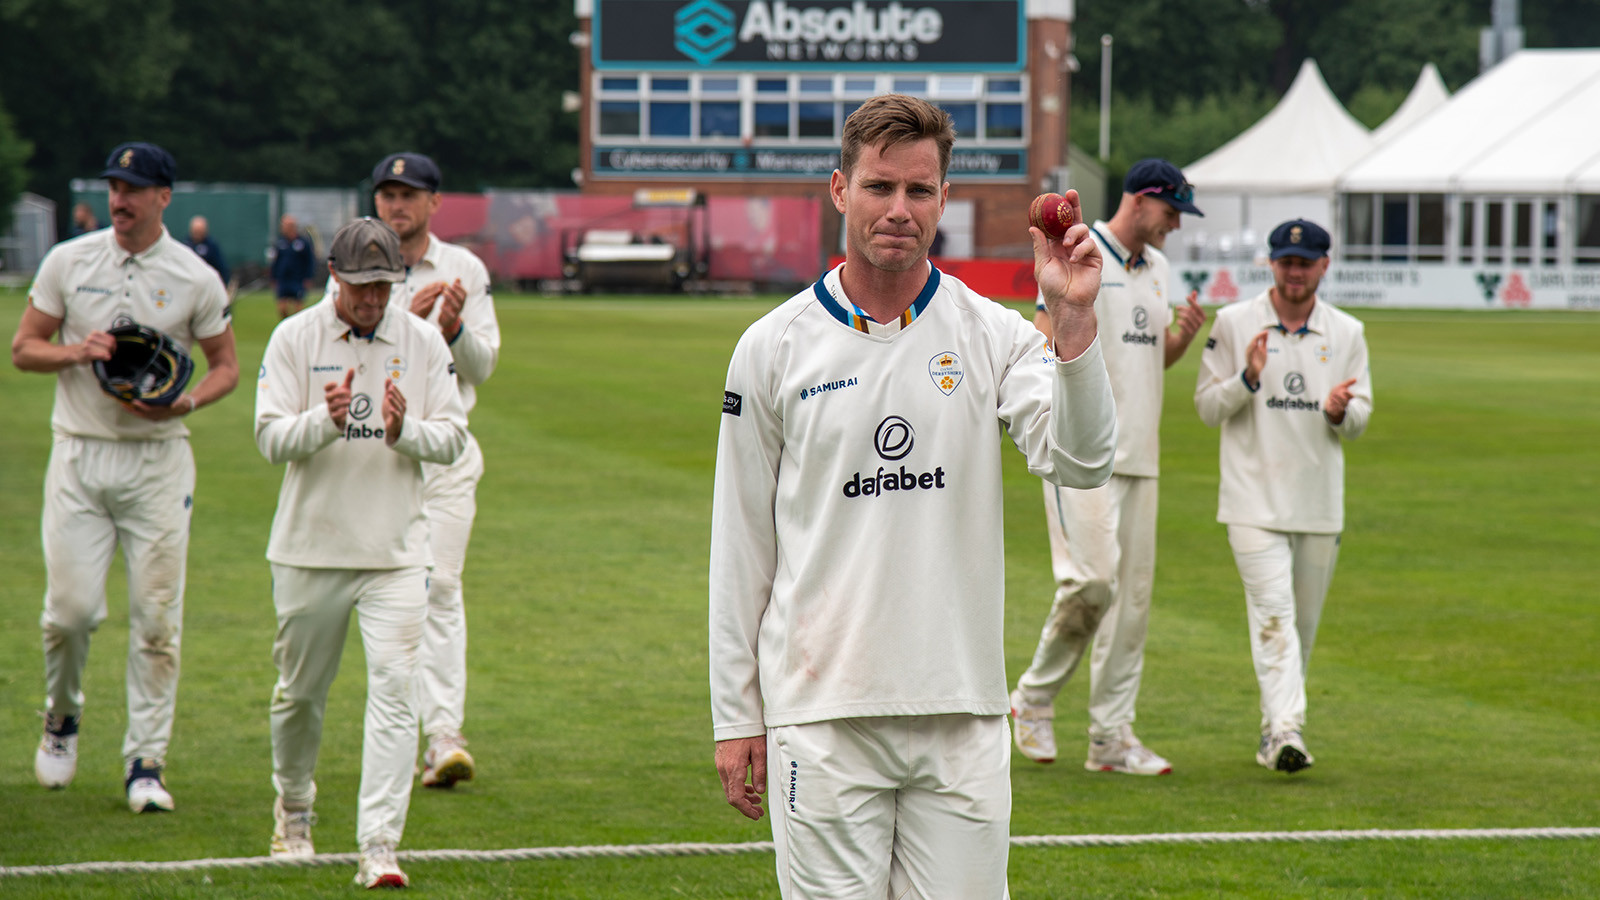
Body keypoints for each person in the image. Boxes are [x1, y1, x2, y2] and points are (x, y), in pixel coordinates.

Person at [709, 94, 1116, 899]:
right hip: (821, 715)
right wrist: (736, 716)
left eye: (919, 191)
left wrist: (1070, 326)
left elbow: (1083, 460)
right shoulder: (772, 347)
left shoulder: (994, 333)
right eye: (879, 188)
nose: (899, 210)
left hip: (959, 711)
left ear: (943, 198)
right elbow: (742, 544)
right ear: (839, 190)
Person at [10, 141, 239, 812]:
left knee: (156, 620)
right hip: (80, 455)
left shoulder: (195, 277)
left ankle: (146, 762)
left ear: (164, 196)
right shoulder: (69, 260)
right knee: (71, 614)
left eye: (135, 188)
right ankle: (62, 716)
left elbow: (225, 364)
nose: (120, 199)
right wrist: (76, 351)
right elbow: (24, 348)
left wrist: (185, 400)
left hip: (158, 460)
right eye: (115, 185)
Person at [255, 217, 467, 887]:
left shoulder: (423, 341)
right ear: (334, 279)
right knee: (299, 697)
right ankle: (293, 809)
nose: (373, 302)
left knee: (396, 695)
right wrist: (325, 421)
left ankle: (379, 845)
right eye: (361, 289)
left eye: (383, 288)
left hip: (397, 552)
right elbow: (268, 438)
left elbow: (453, 438)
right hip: (310, 550)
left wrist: (405, 433)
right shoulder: (295, 337)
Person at [1009, 159, 1207, 775]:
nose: (1175, 226)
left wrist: (1180, 337)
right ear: (1143, 200)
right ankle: (1034, 699)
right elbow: (1045, 346)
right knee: (1093, 583)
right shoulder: (1080, 249)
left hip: (1142, 455)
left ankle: (1111, 739)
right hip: (1081, 456)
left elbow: (1146, 363)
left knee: (1131, 604)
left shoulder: (1161, 271)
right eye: (1171, 212)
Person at [323, 151, 501, 788]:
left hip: (445, 451)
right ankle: (397, 722)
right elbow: (339, 344)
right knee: (370, 597)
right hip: (373, 458)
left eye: (409, 194)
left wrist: (449, 329)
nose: (396, 204)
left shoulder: (463, 269)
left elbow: (482, 367)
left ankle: (443, 736)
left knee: (441, 586)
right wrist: (403, 316)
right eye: (387, 193)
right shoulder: (349, 262)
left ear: (434, 203)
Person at [1193, 218, 1373, 773]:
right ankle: (1288, 732)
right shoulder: (1234, 323)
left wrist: (1345, 412)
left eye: (1306, 262)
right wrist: (1246, 379)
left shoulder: (1348, 332)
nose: (1294, 272)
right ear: (1271, 264)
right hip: (1252, 501)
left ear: (1324, 265)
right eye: (1286, 261)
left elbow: (1362, 416)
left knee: (1300, 631)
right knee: (1274, 615)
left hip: (1318, 501)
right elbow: (1206, 408)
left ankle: (1274, 729)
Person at [269, 214, 315, 318]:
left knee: (298, 308)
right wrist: (273, 277)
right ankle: (286, 326)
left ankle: (297, 328)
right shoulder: (280, 242)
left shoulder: (303, 243)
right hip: (283, 279)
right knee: (282, 308)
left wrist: (308, 277)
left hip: (297, 279)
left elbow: (310, 261)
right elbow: (275, 261)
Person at [182, 215, 231, 291]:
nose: (197, 234)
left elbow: (221, 267)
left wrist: (224, 284)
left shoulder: (212, 245)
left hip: (208, 285)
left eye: (199, 231)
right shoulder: (185, 244)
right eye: (195, 231)